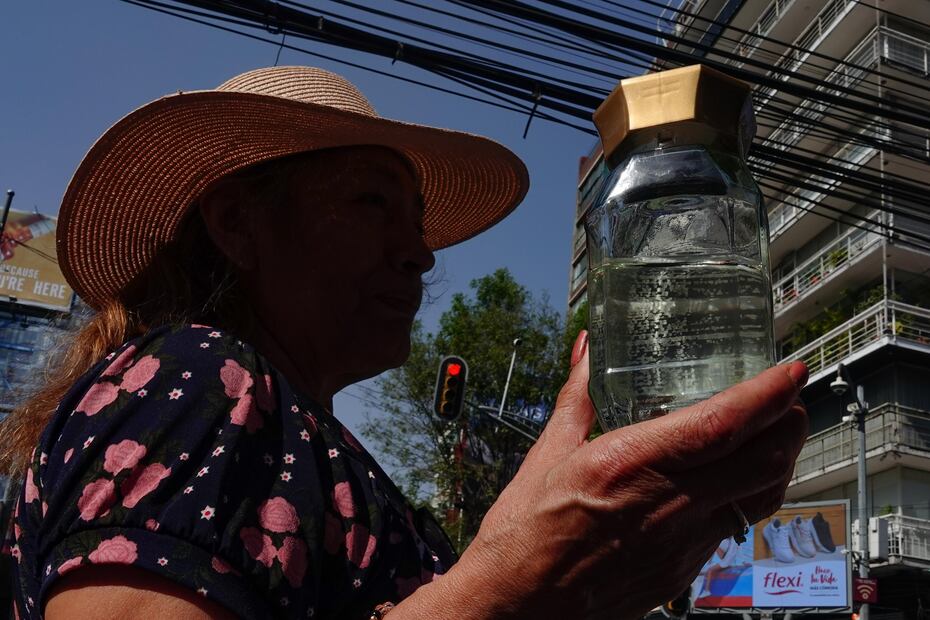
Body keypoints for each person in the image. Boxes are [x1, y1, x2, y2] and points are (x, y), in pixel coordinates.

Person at [0, 66, 809, 620]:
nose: (419, 251)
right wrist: (512, 592)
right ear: (239, 222)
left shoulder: (290, 430)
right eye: (371, 203)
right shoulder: (195, 383)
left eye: (417, 220)